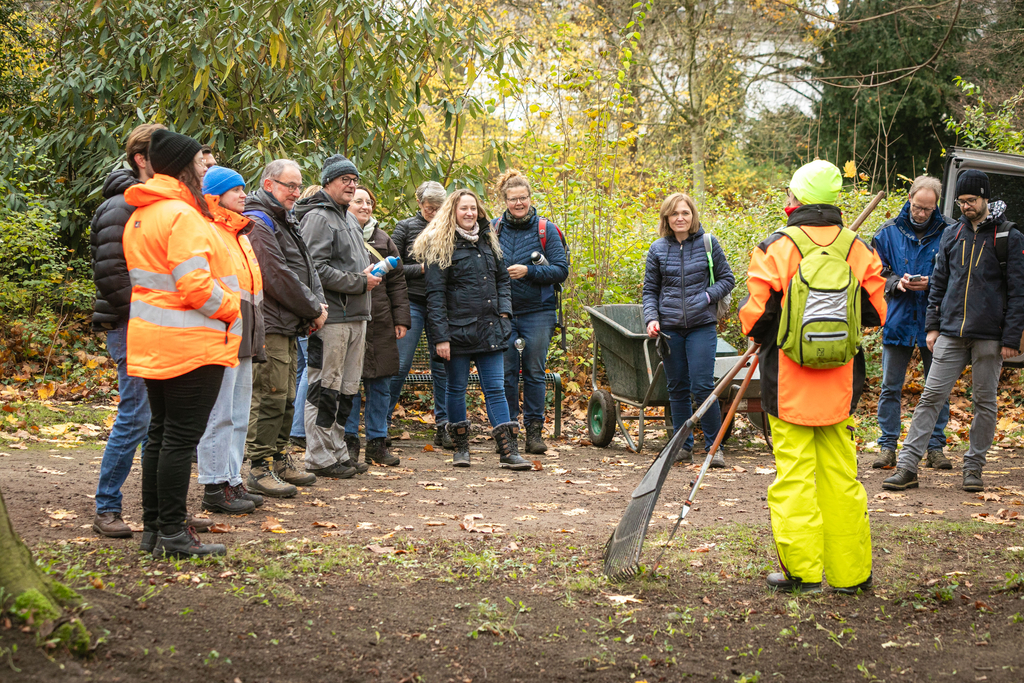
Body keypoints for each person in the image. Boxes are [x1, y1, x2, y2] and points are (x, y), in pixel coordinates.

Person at [738, 160, 887, 594]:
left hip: (789, 384)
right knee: (842, 478)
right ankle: (851, 574)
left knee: (795, 480)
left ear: (795, 200)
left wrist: (774, 326)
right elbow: (877, 313)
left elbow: (756, 319)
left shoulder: (777, 247)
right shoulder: (857, 248)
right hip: (840, 387)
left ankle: (801, 573)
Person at [122, 129, 241, 558]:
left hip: (155, 340)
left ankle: (156, 528)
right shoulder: (182, 215)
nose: (206, 169)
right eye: (201, 163)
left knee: (160, 434)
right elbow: (195, 286)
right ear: (184, 166)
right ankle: (172, 531)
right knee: (179, 438)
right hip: (192, 341)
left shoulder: (143, 212)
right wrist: (231, 307)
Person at [884, 170, 1024, 493]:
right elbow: (939, 285)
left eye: (971, 201)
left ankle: (973, 468)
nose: (965, 207)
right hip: (950, 331)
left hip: (990, 335)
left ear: (985, 197)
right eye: (961, 201)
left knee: (985, 402)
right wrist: (932, 327)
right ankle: (907, 466)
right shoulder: (952, 234)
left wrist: (1012, 337)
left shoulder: (1008, 236)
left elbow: (1019, 292)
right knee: (931, 396)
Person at [412, 189, 531, 470]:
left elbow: (503, 280)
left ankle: (508, 452)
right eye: (463, 208)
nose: (469, 213)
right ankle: (461, 449)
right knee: (456, 389)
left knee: (496, 389)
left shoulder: (489, 241)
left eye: (473, 208)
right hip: (456, 333)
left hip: (490, 328)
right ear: (452, 211)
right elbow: (435, 296)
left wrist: (504, 313)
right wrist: (440, 337)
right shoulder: (439, 245)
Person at [89, 123, 164, 538]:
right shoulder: (121, 205)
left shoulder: (157, 202)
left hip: (159, 326)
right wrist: (149, 315)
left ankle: (162, 512)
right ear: (141, 159)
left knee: (161, 421)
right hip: (132, 326)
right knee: (136, 417)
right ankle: (107, 507)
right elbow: (112, 274)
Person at [245, 160, 327, 498]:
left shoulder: (286, 218)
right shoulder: (258, 220)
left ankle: (279, 457)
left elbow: (306, 267)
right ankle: (258, 466)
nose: (295, 192)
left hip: (290, 322)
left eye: (298, 185)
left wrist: (317, 307)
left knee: (288, 396)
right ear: (268, 184)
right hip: (271, 322)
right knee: (270, 395)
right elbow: (275, 275)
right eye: (288, 185)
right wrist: (311, 307)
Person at [295, 155, 381, 478]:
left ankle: (337, 451)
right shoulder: (319, 217)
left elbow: (343, 266)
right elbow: (313, 270)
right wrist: (359, 282)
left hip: (357, 316)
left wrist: (366, 276)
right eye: (345, 179)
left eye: (355, 179)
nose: (352, 184)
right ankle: (317, 456)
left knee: (346, 389)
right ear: (328, 181)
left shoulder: (346, 217)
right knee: (324, 387)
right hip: (331, 318)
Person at [643, 192, 735, 466]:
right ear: (666, 219)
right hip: (670, 329)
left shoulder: (708, 243)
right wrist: (651, 318)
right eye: (674, 214)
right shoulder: (657, 249)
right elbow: (650, 290)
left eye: (685, 213)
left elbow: (727, 279)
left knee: (703, 386)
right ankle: (682, 446)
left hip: (701, 326)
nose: (680, 218)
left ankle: (713, 448)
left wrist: (707, 297)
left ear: (692, 216)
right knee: (677, 388)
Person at [196, 166, 266, 515]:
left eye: (243, 189)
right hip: (222, 332)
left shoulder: (240, 232)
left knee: (239, 413)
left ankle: (231, 478)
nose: (243, 194)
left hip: (246, 331)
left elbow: (251, 290)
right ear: (215, 195)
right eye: (234, 190)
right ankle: (213, 483)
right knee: (219, 414)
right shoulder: (209, 229)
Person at [871, 176, 953, 470]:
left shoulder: (950, 232)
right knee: (890, 386)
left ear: (936, 206)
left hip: (936, 320)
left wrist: (933, 283)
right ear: (909, 199)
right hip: (899, 316)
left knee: (937, 388)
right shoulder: (887, 232)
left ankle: (935, 447)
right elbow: (875, 272)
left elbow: (958, 274)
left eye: (928, 210)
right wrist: (896, 282)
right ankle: (887, 446)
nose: (921, 214)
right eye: (918, 207)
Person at [494, 170, 569, 454]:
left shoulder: (546, 229)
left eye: (523, 198)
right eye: (513, 199)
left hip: (539, 312)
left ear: (530, 197)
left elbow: (561, 271)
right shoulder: (494, 228)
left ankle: (534, 434)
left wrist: (529, 271)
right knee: (507, 374)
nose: (519, 203)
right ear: (505, 200)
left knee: (535, 373)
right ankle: (509, 432)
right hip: (504, 313)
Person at [344, 185, 411, 466]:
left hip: (382, 321)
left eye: (369, 202)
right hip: (348, 318)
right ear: (347, 204)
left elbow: (397, 283)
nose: (365, 206)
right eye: (358, 201)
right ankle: (348, 443)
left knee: (380, 384)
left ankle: (377, 443)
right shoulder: (339, 235)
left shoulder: (383, 240)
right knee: (349, 385)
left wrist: (401, 320)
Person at [389, 181, 452, 448]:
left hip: (443, 305)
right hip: (411, 302)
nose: (434, 212)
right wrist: (422, 270)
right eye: (429, 208)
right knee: (400, 365)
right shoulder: (404, 227)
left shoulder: (451, 227)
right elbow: (391, 265)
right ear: (419, 204)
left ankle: (444, 425)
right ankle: (381, 423)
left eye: (439, 208)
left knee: (443, 367)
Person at [289, 184, 323, 450]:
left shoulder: (295, 224)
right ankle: (299, 429)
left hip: (297, 309)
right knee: (310, 370)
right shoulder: (312, 225)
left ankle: (293, 426)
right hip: (309, 308)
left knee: (301, 368)